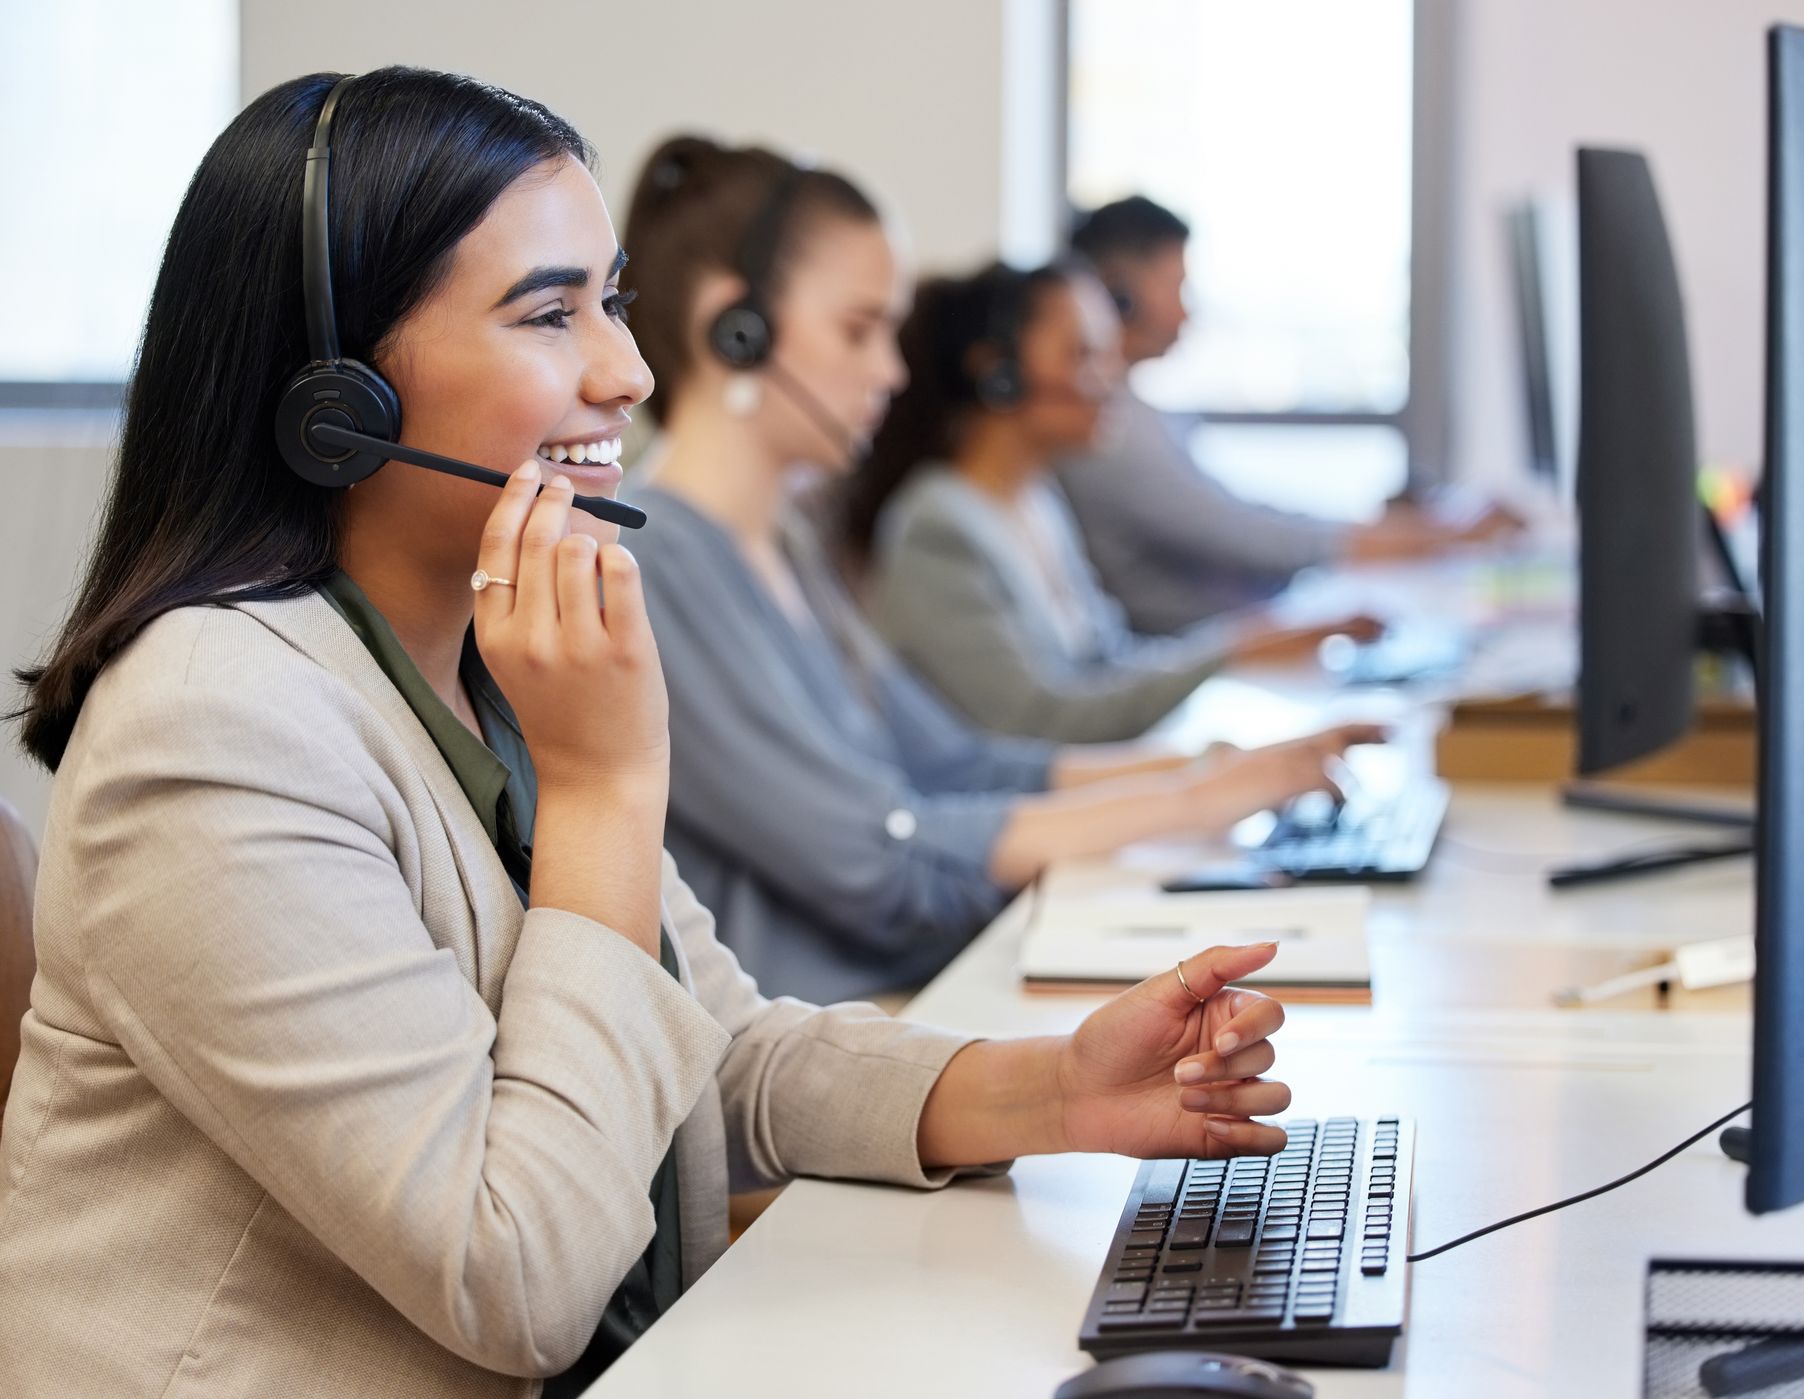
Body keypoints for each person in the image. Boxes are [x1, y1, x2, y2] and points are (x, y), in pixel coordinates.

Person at [0, 72, 1303, 1398]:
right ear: (338, 400)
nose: (626, 370)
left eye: (610, 300)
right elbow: (516, 1274)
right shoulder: (215, 728)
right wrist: (607, 787)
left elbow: (703, 1054)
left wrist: (1056, 1090)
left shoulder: (489, 660)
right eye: (550, 312)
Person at [620, 136, 1377, 1004]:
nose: (891, 371)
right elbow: (875, 859)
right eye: (860, 330)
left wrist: (1204, 771)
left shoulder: (783, 541)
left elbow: (957, 764)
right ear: (736, 328)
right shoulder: (657, 564)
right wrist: (1186, 804)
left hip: (918, 987)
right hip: (831, 1036)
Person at [841, 258, 1381, 743]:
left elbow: (1108, 663)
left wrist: (1249, 644)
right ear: (997, 373)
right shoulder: (939, 526)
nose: (1111, 377)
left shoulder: (1035, 497)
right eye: (1083, 354)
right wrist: (1230, 655)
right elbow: (1036, 722)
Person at [1056, 195, 1520, 636]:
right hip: (1210, 652)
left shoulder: (1131, 413)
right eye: (1177, 285)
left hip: (1239, 636)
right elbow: (1244, 535)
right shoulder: (1106, 429)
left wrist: (1406, 531)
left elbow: (1242, 517)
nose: (1186, 311)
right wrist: (1437, 535)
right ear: (1118, 295)